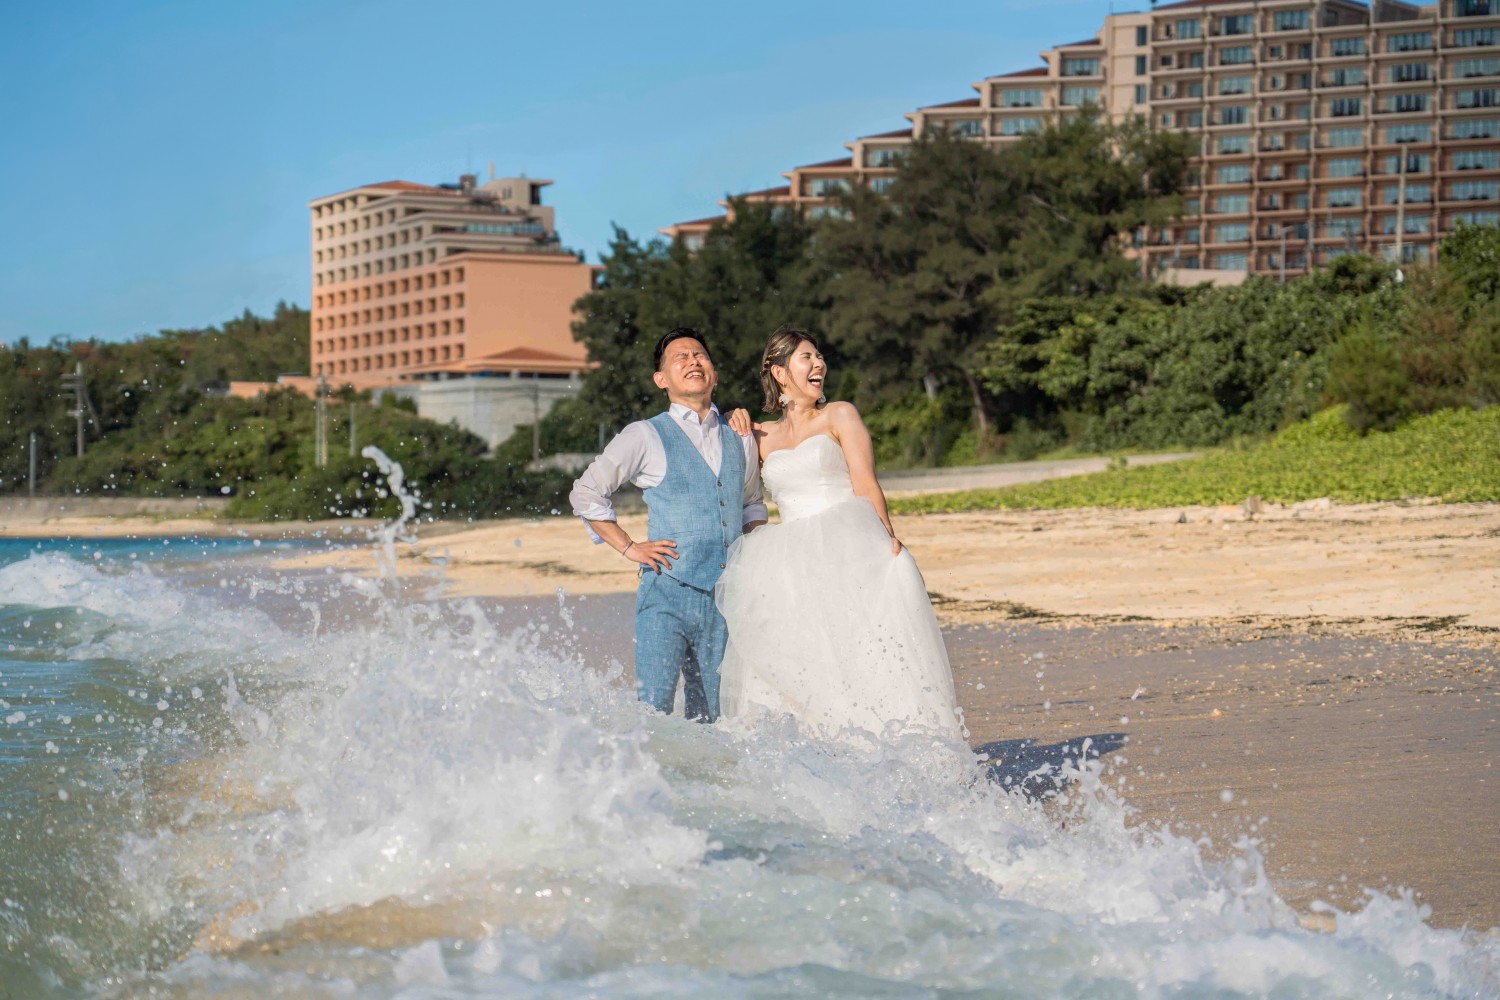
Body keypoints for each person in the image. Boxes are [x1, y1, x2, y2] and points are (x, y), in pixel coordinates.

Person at [714, 329, 964, 741]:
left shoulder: (840, 414)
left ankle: (894, 743)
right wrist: (732, 419)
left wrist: (888, 539)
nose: (819, 365)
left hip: (847, 543)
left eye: (819, 357)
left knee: (864, 649)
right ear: (779, 372)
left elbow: (866, 483)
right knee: (804, 658)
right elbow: (747, 498)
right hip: (789, 560)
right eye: (806, 358)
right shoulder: (759, 436)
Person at [570, 328, 767, 722]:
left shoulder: (739, 435)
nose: (694, 361)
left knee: (711, 719)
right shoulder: (644, 434)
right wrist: (629, 547)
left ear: (714, 373)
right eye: (680, 357)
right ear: (661, 380)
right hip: (666, 594)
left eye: (701, 355)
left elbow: (751, 503)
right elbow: (586, 493)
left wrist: (755, 559)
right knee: (653, 713)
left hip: (725, 601)